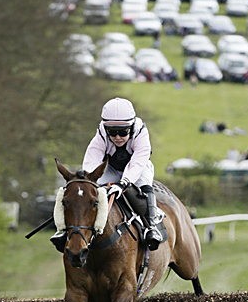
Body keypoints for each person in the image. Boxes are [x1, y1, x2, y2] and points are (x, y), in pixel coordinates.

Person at [51, 97, 167, 251]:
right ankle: (65, 230)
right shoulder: (101, 133)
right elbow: (92, 158)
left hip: (138, 168)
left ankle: (151, 226)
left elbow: (138, 162)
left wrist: (123, 183)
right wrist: (88, 180)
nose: (117, 137)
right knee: (91, 193)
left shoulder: (141, 133)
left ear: (131, 127)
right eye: (112, 132)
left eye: (123, 132)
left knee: (143, 185)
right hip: (111, 169)